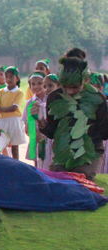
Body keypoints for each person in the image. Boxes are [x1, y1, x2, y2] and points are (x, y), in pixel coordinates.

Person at [38, 50, 108, 181]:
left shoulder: (98, 98)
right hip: (62, 152)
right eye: (65, 87)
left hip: (90, 152)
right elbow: (52, 132)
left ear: (85, 80)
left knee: (82, 178)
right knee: (58, 180)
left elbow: (104, 134)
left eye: (75, 87)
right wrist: (41, 121)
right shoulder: (54, 97)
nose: (70, 91)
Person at [0, 66, 26, 160]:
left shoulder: (19, 92)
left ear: (17, 78)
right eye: (6, 77)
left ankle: (15, 166)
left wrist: (0, 109)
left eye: (11, 77)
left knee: (15, 148)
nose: (9, 79)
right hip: (2, 121)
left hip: (15, 121)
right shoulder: (0, 92)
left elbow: (14, 108)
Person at [23, 72, 48, 167]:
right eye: (33, 84)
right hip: (36, 138)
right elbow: (27, 125)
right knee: (37, 164)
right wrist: (35, 135)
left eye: (39, 83)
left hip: (49, 137)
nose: (36, 86)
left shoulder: (50, 100)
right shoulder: (30, 103)